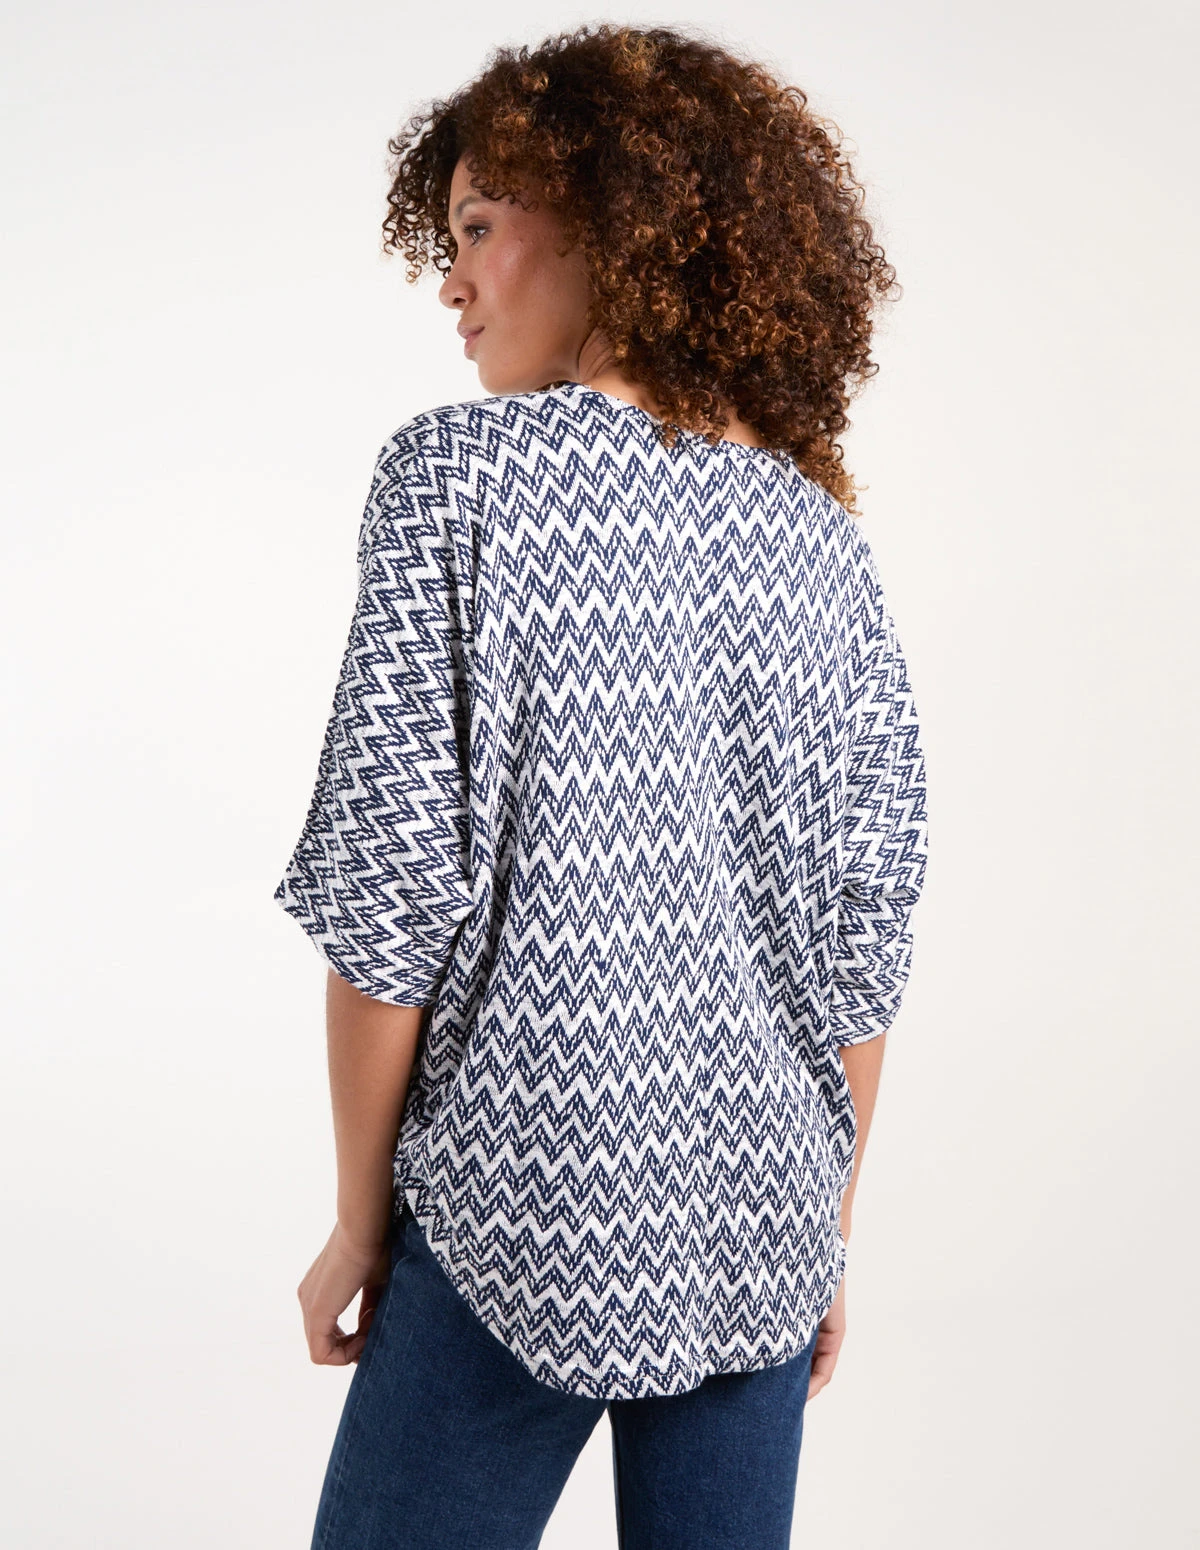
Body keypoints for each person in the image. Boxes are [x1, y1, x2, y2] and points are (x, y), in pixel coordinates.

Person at [274, 22, 929, 1550]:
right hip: (761, 1215)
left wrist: (364, 1221)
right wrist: (822, 1232)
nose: (451, 283)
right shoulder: (822, 543)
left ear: (608, 222)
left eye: (478, 228)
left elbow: (390, 900)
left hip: (525, 1198)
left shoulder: (459, 478)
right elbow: (864, 938)